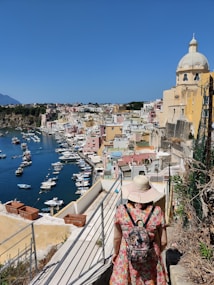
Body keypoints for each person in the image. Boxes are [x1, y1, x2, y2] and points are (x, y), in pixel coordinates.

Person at [110, 175, 168, 285]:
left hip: (127, 257)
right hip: (150, 259)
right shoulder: (157, 211)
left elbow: (117, 238)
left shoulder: (121, 210)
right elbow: (164, 241)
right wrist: (152, 251)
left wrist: (116, 253)